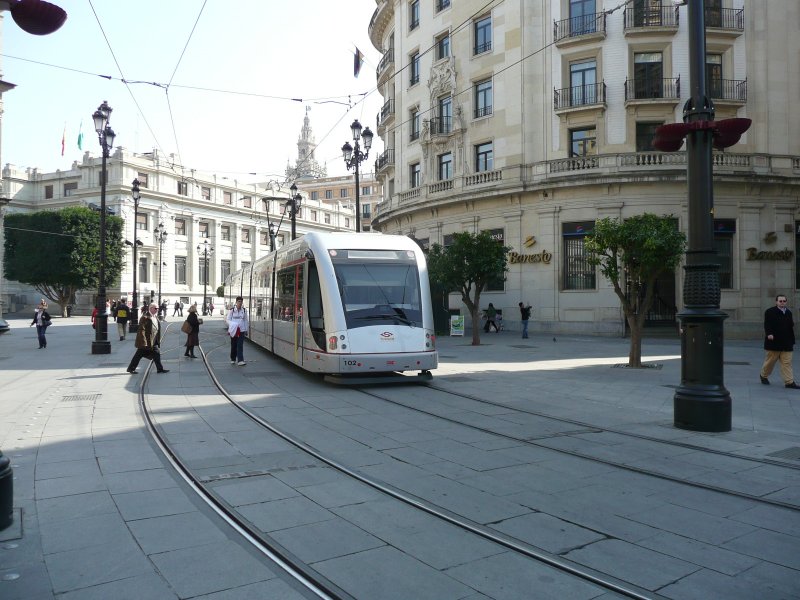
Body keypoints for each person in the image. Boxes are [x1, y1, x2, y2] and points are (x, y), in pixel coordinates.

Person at [760, 294, 800, 388]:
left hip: (787, 342)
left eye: (784, 301)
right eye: (780, 301)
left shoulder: (788, 312)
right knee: (770, 362)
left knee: (787, 362)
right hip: (774, 342)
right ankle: (763, 376)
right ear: (776, 302)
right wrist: (769, 334)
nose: (782, 302)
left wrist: (791, 340)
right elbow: (767, 324)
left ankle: (789, 382)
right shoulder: (770, 312)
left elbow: (790, 326)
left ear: (786, 302)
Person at [127, 303, 170, 374]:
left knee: (156, 354)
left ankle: (160, 369)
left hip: (154, 340)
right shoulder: (145, 317)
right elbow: (141, 330)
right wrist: (144, 341)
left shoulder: (155, 317)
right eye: (156, 308)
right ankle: (131, 368)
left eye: (158, 308)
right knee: (138, 354)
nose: (157, 310)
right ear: (151, 308)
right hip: (147, 340)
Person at [226, 296, 249, 365]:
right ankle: (233, 358)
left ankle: (240, 360)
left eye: (241, 302)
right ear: (236, 302)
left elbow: (245, 320)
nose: (240, 303)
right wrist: (233, 324)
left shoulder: (244, 310)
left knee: (240, 345)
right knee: (234, 345)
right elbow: (227, 319)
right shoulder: (232, 310)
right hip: (234, 330)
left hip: (241, 330)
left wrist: (246, 330)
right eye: (238, 301)